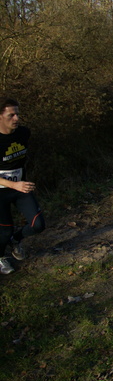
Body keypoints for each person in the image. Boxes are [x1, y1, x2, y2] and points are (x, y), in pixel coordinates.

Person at [0, 97, 45, 275]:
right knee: (3, 231)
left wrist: (20, 181)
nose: (16, 118)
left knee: (38, 224)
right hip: (2, 191)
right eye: (11, 115)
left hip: (20, 187)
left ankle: (16, 239)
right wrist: (13, 184)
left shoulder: (24, 133)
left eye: (18, 114)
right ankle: (1, 257)